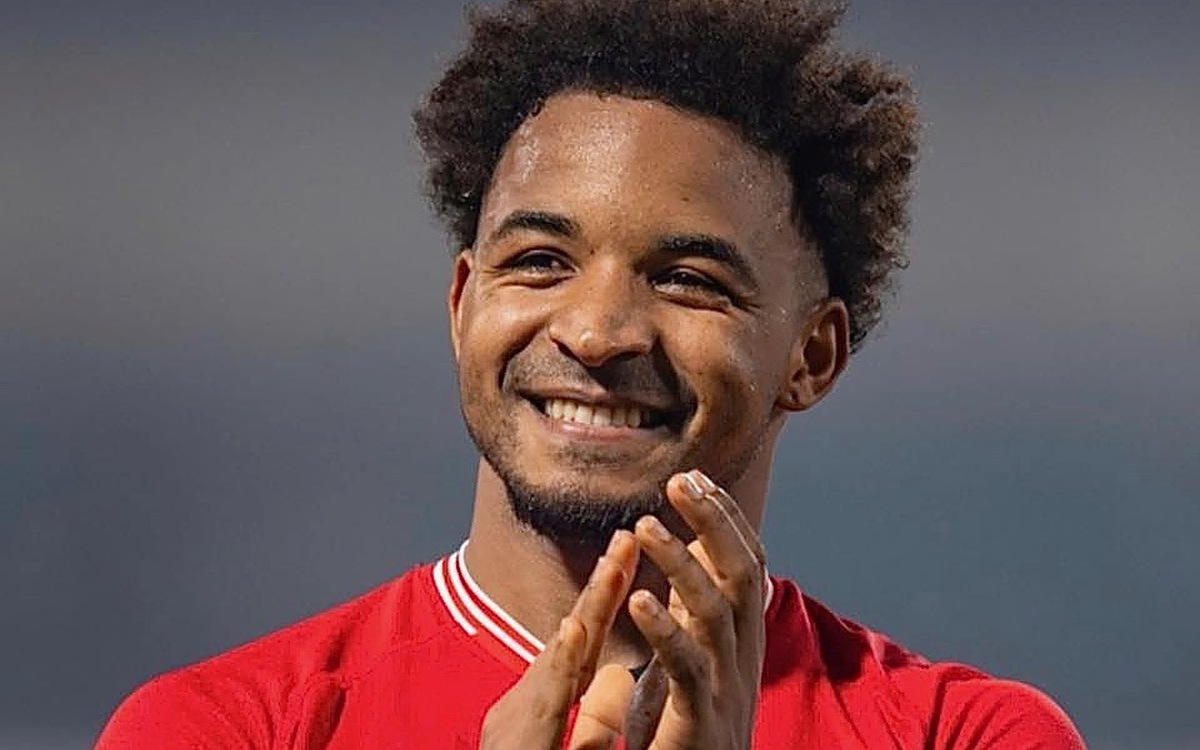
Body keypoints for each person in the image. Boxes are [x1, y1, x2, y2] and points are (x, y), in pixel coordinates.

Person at [97, 0, 1087, 747]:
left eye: (689, 279)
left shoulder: (962, 735)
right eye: (540, 261)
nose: (598, 330)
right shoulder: (227, 728)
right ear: (463, 304)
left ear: (811, 355)